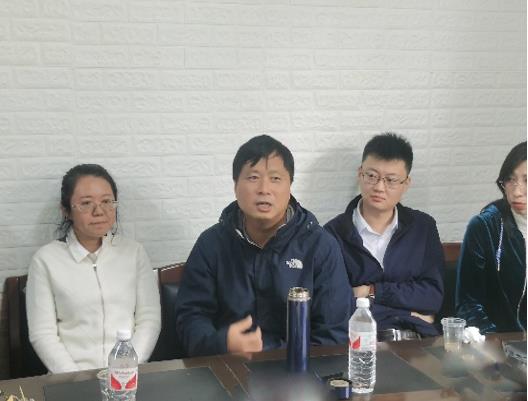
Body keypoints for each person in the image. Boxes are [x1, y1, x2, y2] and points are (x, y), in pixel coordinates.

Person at [174, 135, 351, 357]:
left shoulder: (320, 247)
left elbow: (333, 336)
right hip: (227, 367)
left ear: (290, 186)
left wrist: (271, 354)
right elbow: (190, 318)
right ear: (235, 186)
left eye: (275, 178)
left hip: (299, 369)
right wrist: (221, 343)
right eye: (253, 177)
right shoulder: (211, 244)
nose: (264, 189)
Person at [26, 164, 161, 373]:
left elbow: (149, 320)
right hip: (69, 378)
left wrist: (126, 368)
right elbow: (42, 334)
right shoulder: (45, 260)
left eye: (106, 202)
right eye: (86, 203)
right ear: (66, 211)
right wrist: (75, 378)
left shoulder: (134, 253)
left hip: (128, 374)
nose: (99, 212)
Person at [325, 133, 444, 340]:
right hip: (358, 342)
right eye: (372, 176)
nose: (379, 187)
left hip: (417, 340)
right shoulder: (332, 234)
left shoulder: (423, 228)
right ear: (360, 174)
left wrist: (370, 291)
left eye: (391, 180)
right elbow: (335, 306)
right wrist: (409, 313)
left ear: (406, 184)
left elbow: (432, 297)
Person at [456, 141, 526, 333]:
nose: (517, 192)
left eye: (527, 180)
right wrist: (496, 342)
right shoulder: (485, 227)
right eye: (510, 180)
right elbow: (468, 304)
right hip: (502, 342)